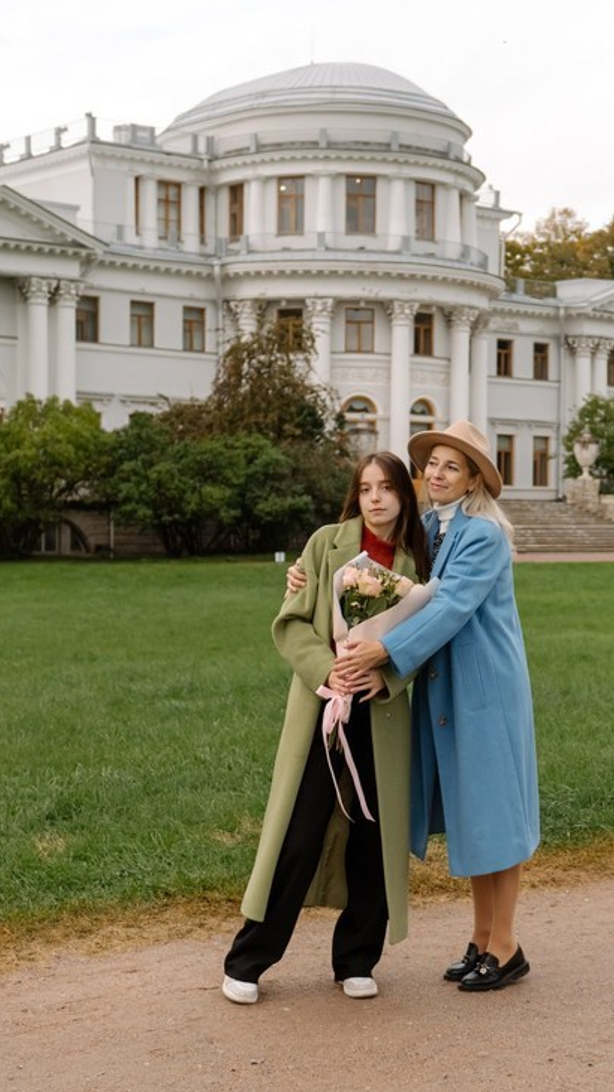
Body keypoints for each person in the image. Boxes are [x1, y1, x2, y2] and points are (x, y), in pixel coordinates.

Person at [329, 419, 540, 992]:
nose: (438, 474)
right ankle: (480, 938)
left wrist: (384, 650)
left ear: (474, 479)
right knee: (472, 817)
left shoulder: (484, 535)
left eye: (453, 466)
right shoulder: (428, 527)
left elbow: (450, 607)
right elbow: (377, 566)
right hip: (445, 689)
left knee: (495, 816)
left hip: (485, 691)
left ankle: (506, 945)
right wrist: (307, 572)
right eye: (433, 464)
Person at [221, 452, 430, 1005]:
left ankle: (357, 959)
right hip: (323, 710)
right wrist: (327, 669)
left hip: (380, 715)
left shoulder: (417, 561)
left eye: (386, 488)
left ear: (404, 495)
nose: (376, 499)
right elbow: (290, 622)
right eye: (365, 489)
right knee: (299, 832)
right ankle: (248, 960)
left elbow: (427, 639)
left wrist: (386, 675)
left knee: (373, 837)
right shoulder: (323, 545)